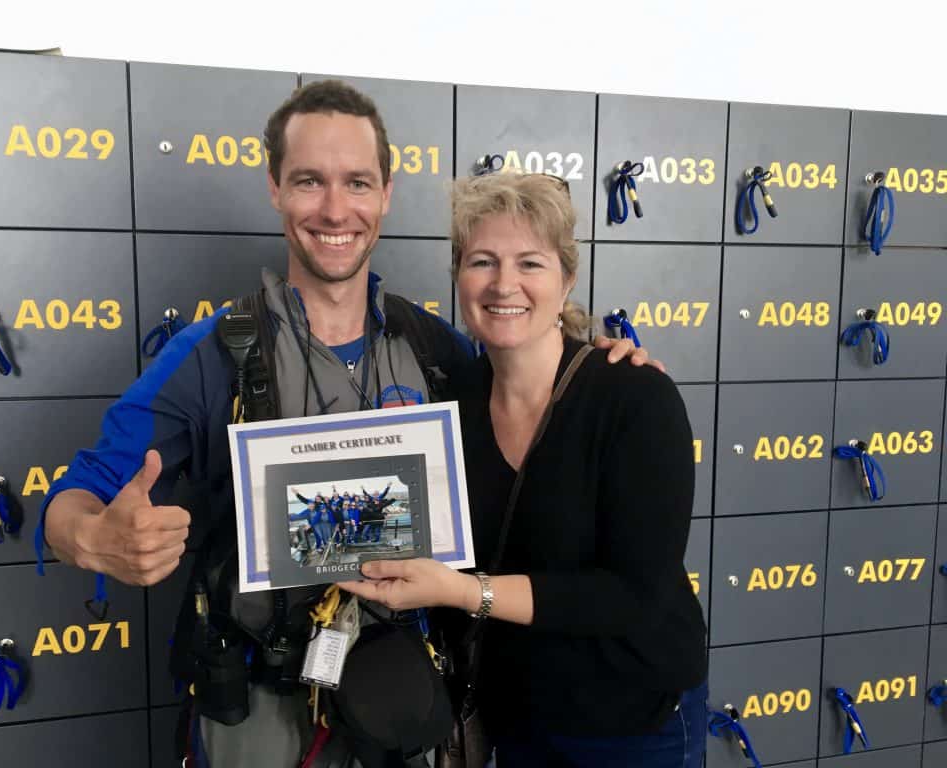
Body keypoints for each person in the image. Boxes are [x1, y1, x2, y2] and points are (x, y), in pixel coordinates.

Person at [36, 80, 655, 768]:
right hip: (264, 716)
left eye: (357, 183)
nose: (336, 210)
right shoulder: (214, 356)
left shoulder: (441, 351)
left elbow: (537, 388)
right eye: (309, 181)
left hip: (411, 706)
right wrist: (93, 537)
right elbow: (78, 493)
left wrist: (607, 368)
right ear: (274, 186)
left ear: (387, 191)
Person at [339, 172, 707, 768]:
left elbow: (635, 597)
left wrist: (464, 592)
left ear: (567, 280)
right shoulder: (452, 402)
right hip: (515, 721)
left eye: (529, 263)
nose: (504, 283)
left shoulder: (635, 398)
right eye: (482, 261)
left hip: (631, 723)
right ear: (459, 278)